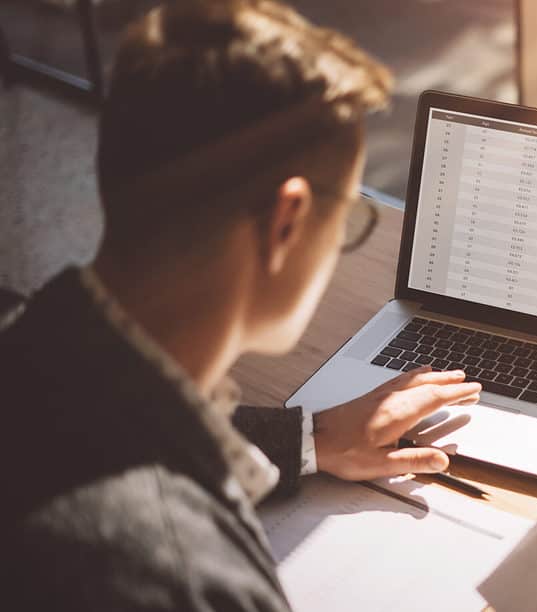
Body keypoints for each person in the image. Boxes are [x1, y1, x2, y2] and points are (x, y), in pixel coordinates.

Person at [0, 0, 481, 609]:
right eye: (350, 221)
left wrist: (317, 437)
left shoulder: (27, 338)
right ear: (289, 221)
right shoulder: (182, 576)